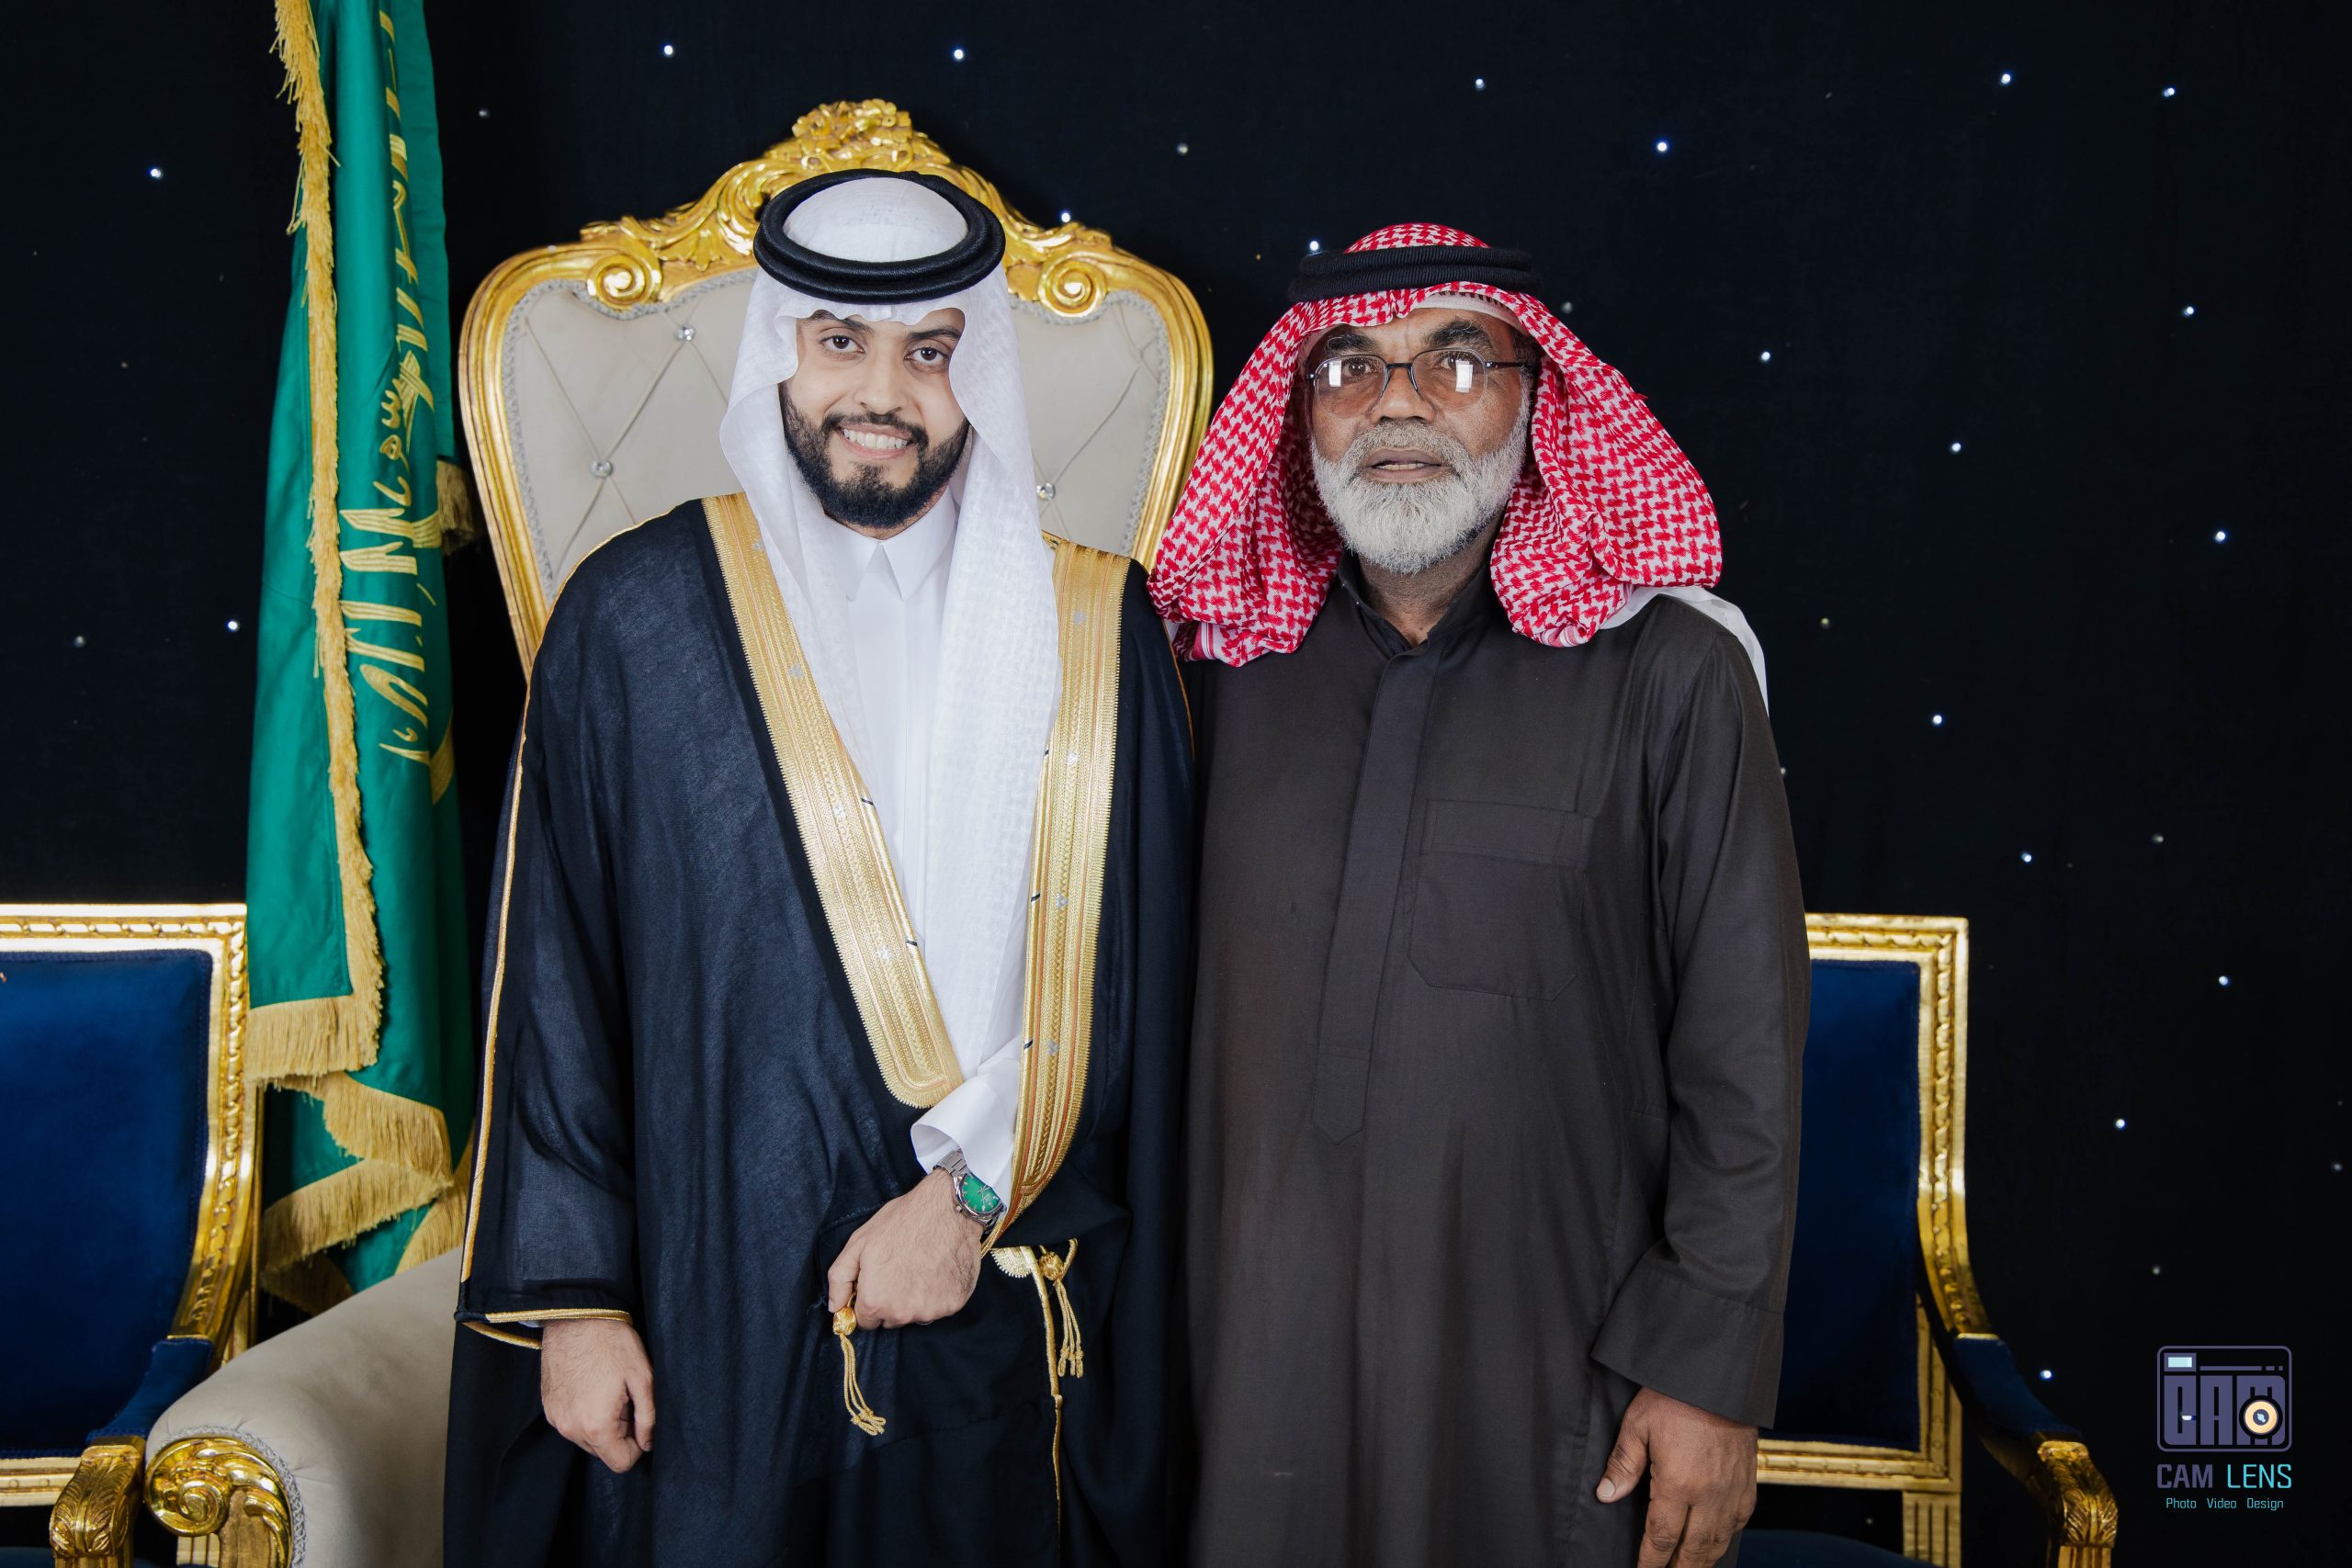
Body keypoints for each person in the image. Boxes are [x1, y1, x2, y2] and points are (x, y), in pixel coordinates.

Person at [445, 170, 1192, 1567]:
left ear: (979, 370)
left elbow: (1138, 983)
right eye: (841, 341)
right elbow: (554, 984)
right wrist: (578, 1303)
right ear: (779, 349)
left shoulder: (1097, 629)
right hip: (704, 1307)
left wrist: (966, 1196)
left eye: (931, 350)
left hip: (995, 1297)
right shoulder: (630, 620)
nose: (883, 394)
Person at [1151, 224, 1805, 1568]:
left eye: (1454, 362)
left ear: (1535, 397)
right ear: (1300, 412)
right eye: (1350, 367)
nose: (1395, 403)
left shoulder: (1671, 674)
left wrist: (1708, 1372)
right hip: (1251, 1347)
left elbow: (1743, 1053)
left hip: (1554, 1359)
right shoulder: (1213, 671)